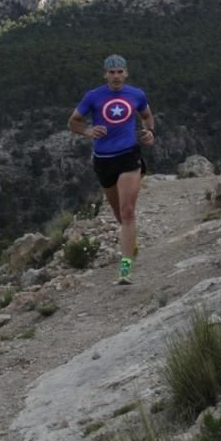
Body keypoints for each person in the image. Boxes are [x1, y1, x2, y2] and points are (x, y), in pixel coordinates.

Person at [68, 54, 155, 284]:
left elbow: (146, 116)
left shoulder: (136, 94)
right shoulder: (93, 97)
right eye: (111, 72)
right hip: (104, 160)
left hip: (129, 156)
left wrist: (149, 131)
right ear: (105, 74)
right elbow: (73, 121)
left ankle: (125, 268)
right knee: (118, 213)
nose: (116, 76)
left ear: (126, 73)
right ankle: (131, 243)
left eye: (120, 71)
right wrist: (87, 131)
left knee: (127, 212)